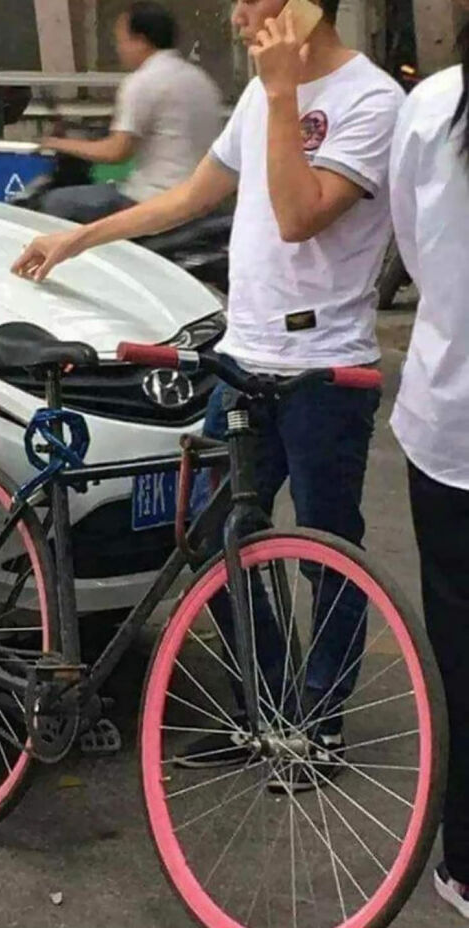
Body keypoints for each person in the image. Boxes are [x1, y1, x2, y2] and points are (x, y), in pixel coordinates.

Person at [13, 0, 404, 787]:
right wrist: (79, 238)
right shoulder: (262, 91)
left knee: (326, 551)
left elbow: (298, 216)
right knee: (212, 536)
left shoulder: (371, 101)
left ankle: (318, 727)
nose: (237, 14)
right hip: (242, 357)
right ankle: (267, 710)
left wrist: (285, 92)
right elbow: (193, 195)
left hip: (323, 370)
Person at [389, 2, 469, 918]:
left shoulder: (432, 107)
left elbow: (412, 246)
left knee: (460, 652)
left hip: (451, 424)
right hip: (446, 427)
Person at [38, 1, 222, 223]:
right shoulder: (201, 80)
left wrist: (57, 143)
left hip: (152, 198)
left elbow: (116, 152)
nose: (118, 49)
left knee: (54, 202)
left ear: (141, 41)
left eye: (122, 41)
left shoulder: (142, 82)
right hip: (203, 199)